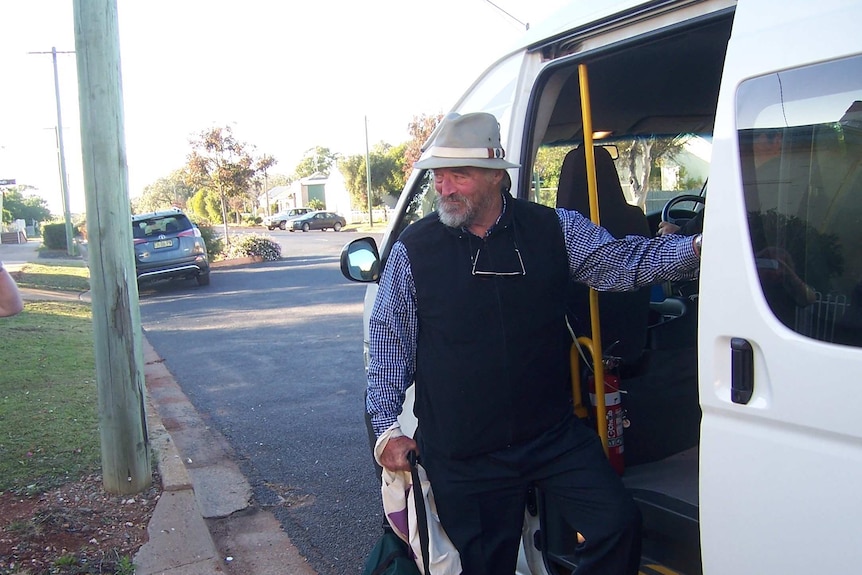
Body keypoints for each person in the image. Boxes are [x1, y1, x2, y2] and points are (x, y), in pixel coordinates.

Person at [368, 112, 701, 575]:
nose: (443, 188)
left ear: (495, 178)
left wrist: (697, 250)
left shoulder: (554, 228)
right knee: (487, 566)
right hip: (466, 453)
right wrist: (386, 428)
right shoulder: (414, 250)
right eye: (438, 175)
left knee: (617, 524)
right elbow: (388, 346)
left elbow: (623, 263)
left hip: (551, 436)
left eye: (457, 176)